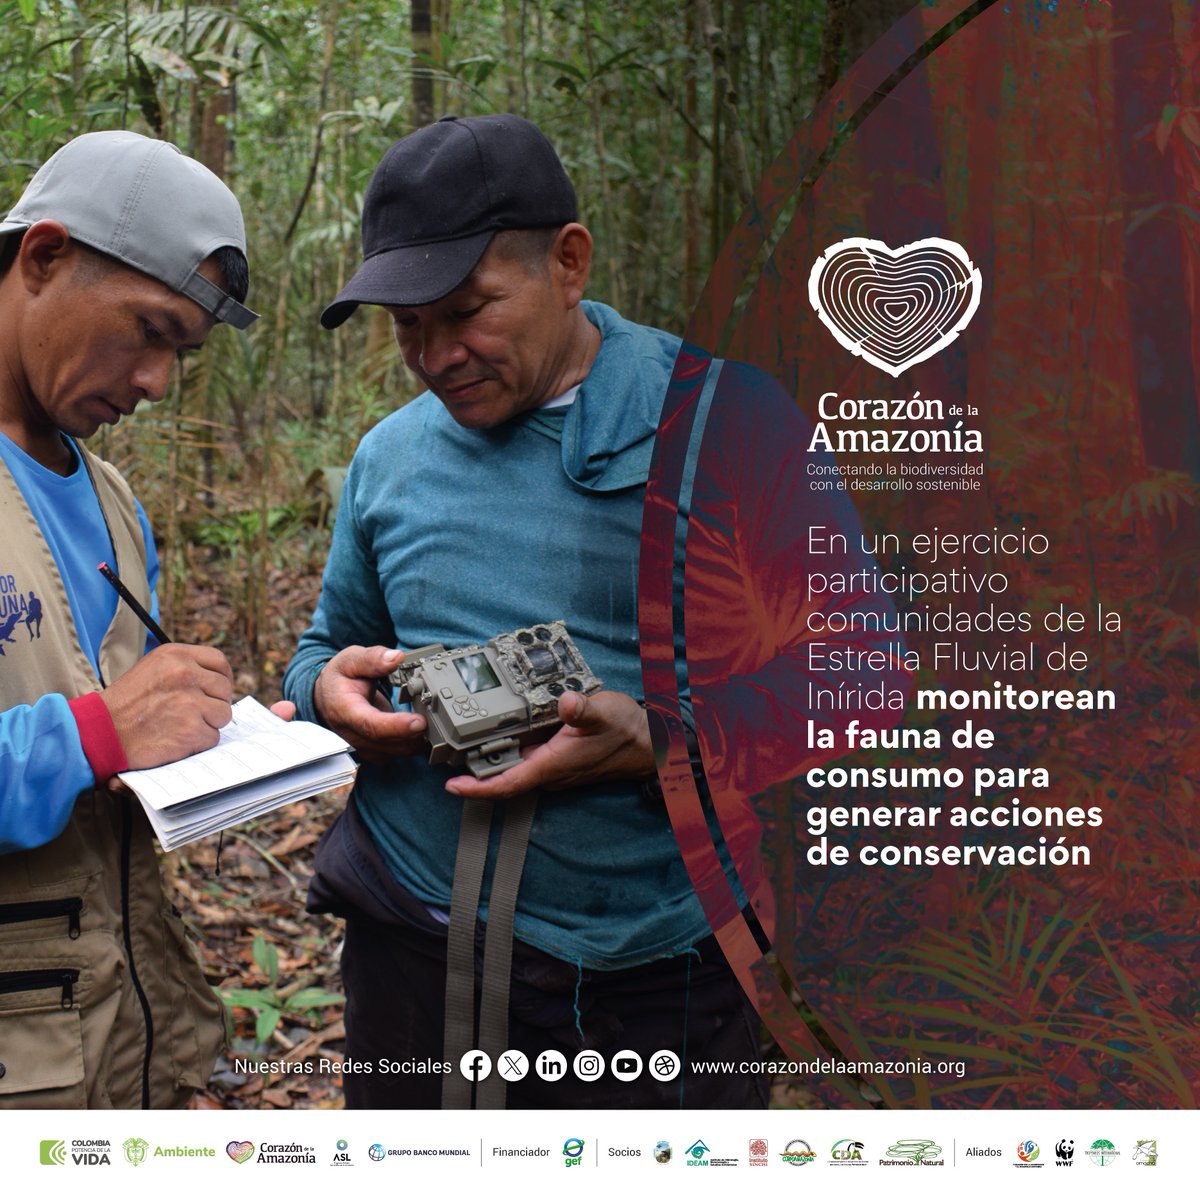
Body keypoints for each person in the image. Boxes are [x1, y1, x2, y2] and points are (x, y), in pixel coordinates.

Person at [284, 114, 908, 1108]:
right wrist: (323, 690)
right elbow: (324, 647)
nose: (437, 355)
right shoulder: (390, 458)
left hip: (657, 969)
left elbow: (864, 671)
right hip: (415, 945)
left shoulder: (729, 424)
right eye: (408, 325)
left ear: (568, 262)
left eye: (468, 310)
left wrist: (668, 739)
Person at [0, 130, 276, 1109]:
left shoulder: (114, 500)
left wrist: (222, 750)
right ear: (44, 256)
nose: (158, 383)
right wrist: (97, 733)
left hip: (116, 1031)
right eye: (150, 331)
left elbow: (115, 753)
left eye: (182, 353)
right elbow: (92, 731)